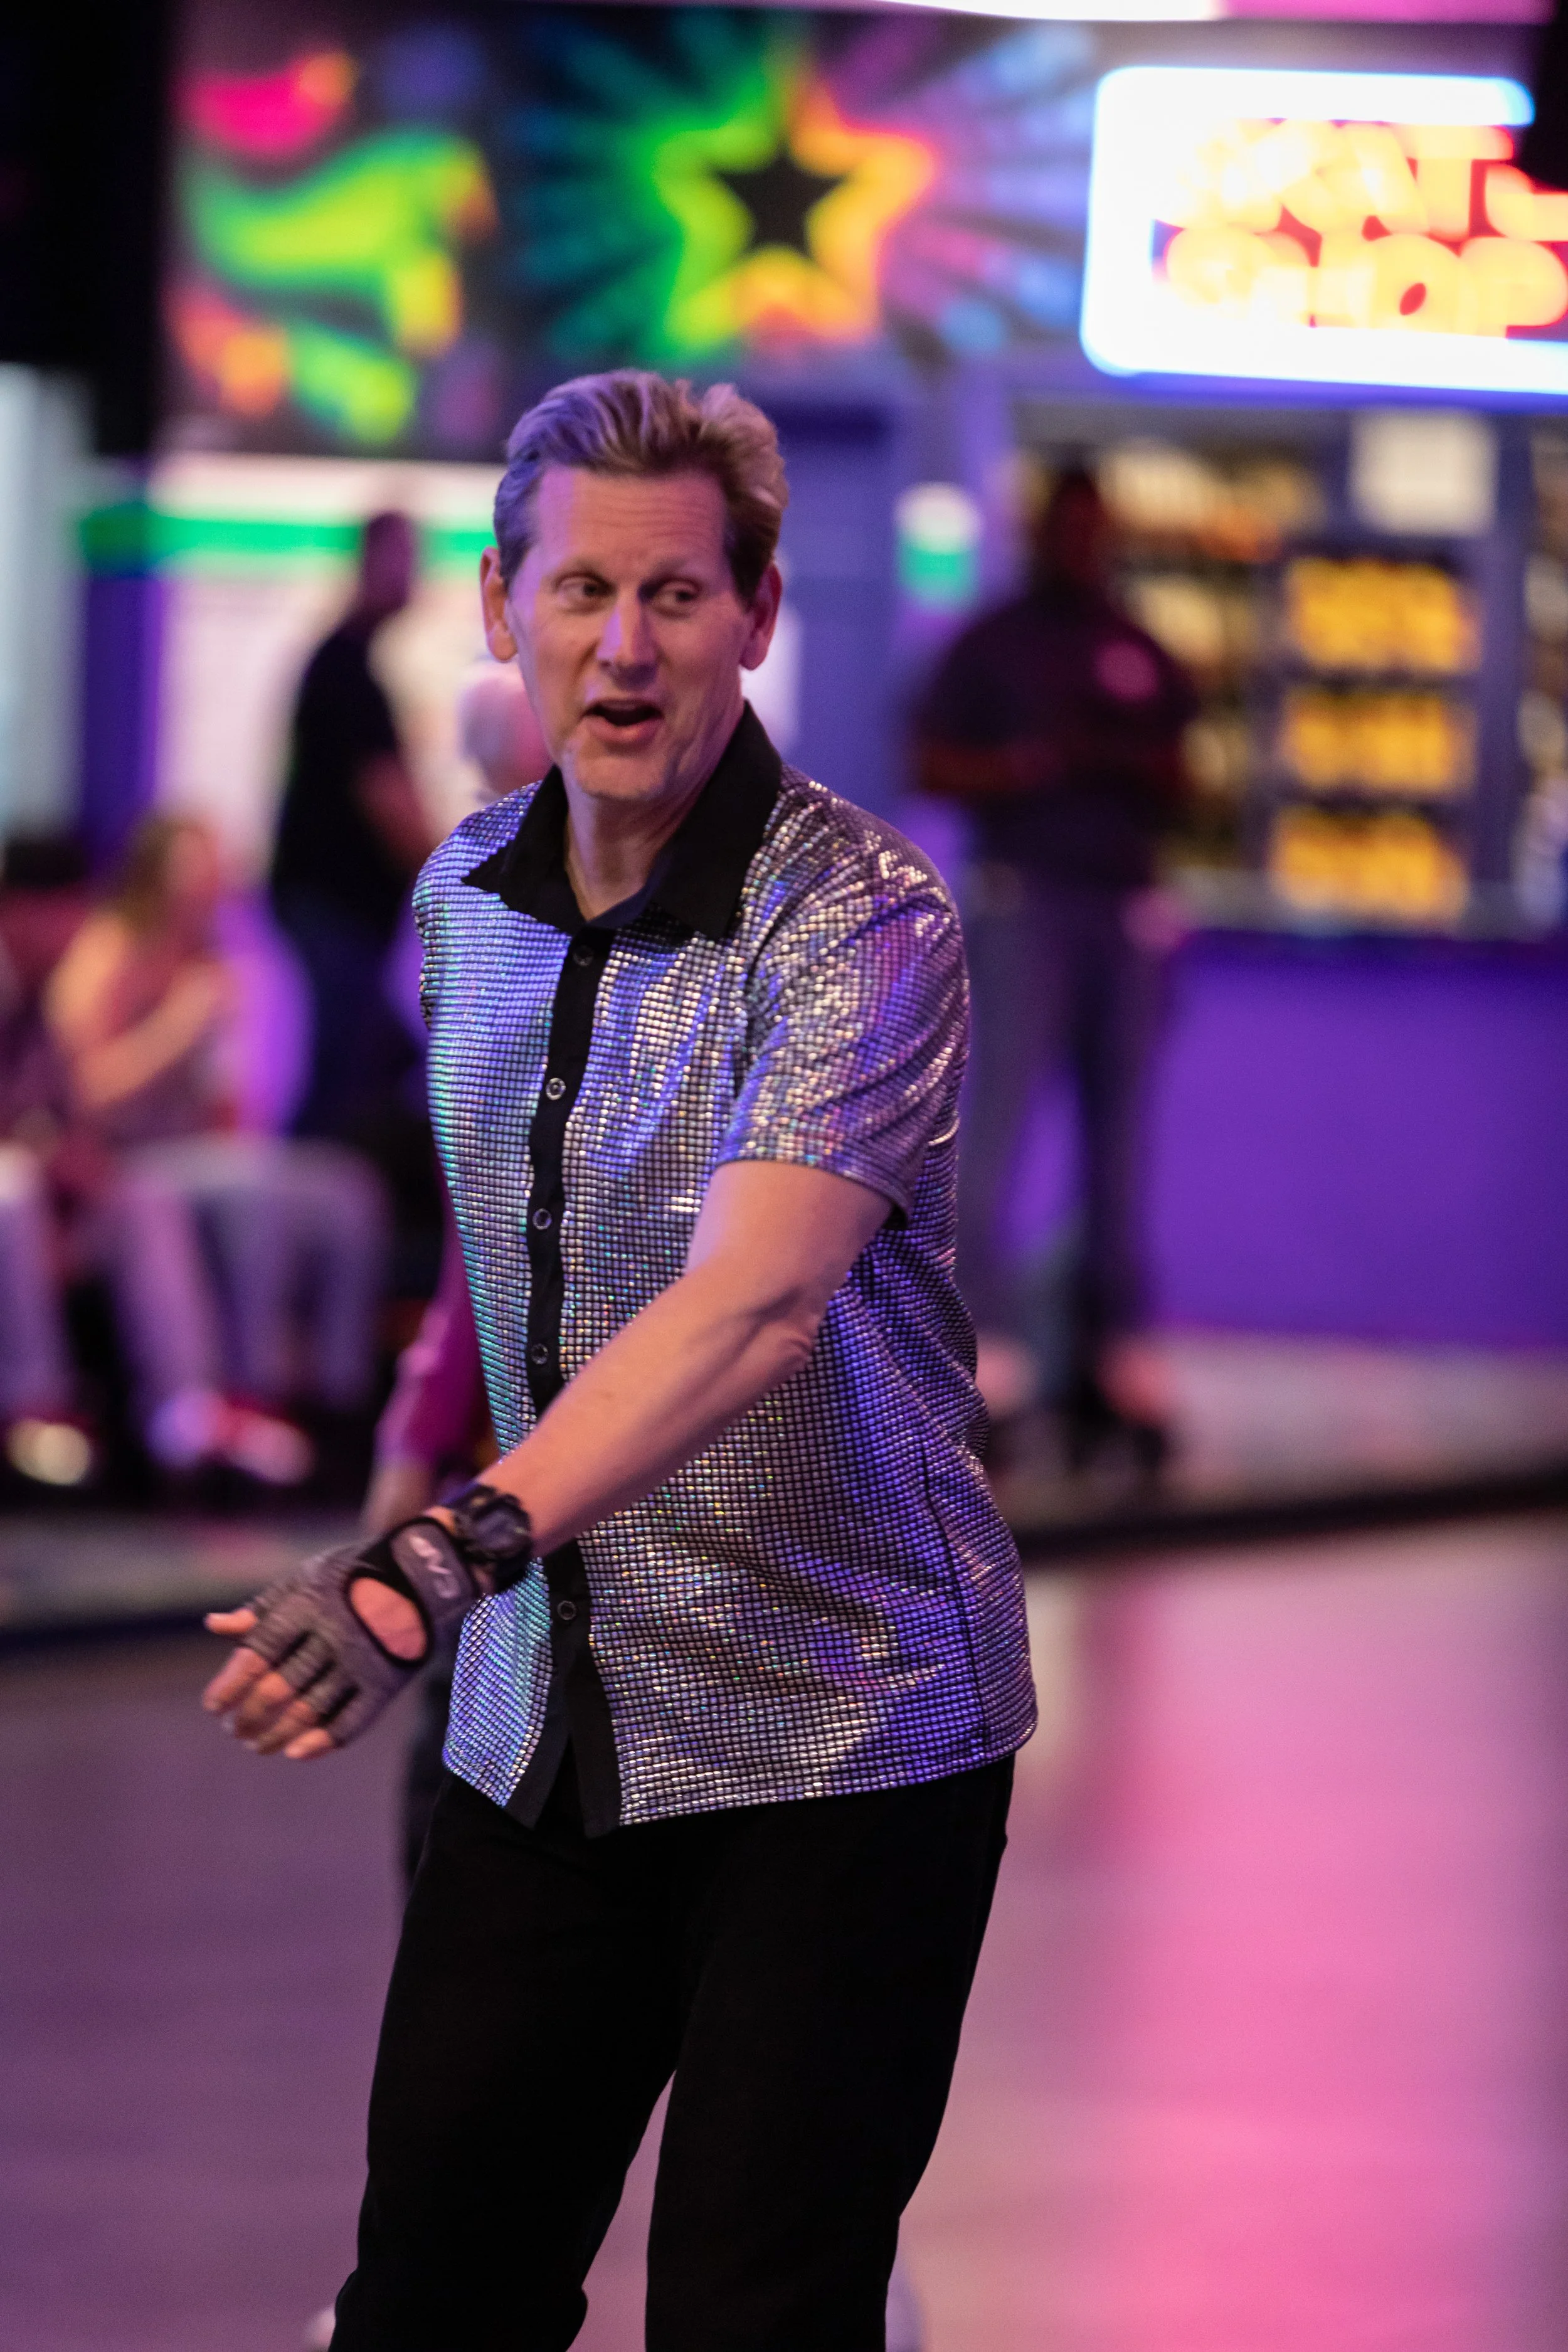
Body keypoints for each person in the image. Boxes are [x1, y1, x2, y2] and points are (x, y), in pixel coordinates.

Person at [203, 368, 1034, 2352]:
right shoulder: (459, 900)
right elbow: (495, 1264)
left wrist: (432, 1557)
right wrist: (393, 1504)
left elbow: (750, 1297)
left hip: (842, 1734)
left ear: (753, 608)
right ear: (499, 606)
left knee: (753, 2311)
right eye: (579, 592)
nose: (625, 646)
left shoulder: (863, 919)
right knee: (429, 2296)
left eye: (674, 595)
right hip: (545, 1722)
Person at [915, 464, 1196, 1468]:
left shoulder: (1141, 647)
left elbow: (1185, 773)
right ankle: (986, 1356)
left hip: (1124, 911)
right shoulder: (994, 643)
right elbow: (929, 758)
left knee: (1119, 1150)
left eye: (1095, 526)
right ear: (1041, 531)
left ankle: (1106, 1350)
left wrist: (1117, 764)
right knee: (992, 1137)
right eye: (1065, 524)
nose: (1081, 541)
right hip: (1021, 903)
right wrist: (1029, 765)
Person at [48, 813, 388, 1486]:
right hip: (126, 1163)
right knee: (253, 1188)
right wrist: (179, 1029)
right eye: (195, 870)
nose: (211, 886)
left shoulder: (225, 961)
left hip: (207, 1159)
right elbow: (84, 1090)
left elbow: (238, 1115)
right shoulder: (111, 949)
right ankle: (249, 1394)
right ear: (160, 877)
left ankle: (337, 1402)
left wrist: (231, 1055)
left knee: (348, 1189)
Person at [271, 510, 437, 1143]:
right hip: (332, 907)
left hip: (332, 907)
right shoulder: (347, 671)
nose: (412, 579)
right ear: (373, 563)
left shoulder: (344, 664)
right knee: (343, 1077)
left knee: (353, 1066)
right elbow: (393, 809)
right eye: (404, 561)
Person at [0, 835, 104, 1487]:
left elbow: (68, 1122)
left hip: (34, 1195)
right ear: (14, 910)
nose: (73, 932)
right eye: (60, 912)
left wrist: (77, 1172)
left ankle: (187, 1413)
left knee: (138, 1200)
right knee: (11, 1187)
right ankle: (35, 1407)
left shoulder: (45, 998)